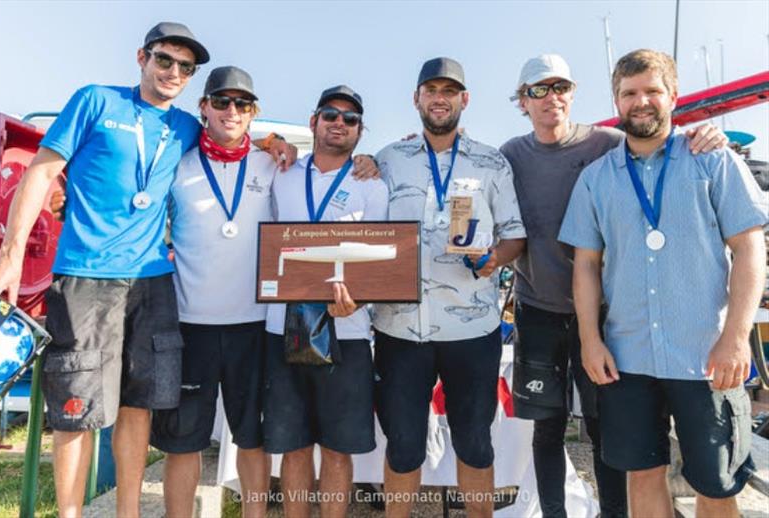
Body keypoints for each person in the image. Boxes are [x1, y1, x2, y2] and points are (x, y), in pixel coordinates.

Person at [0, 23, 297, 517]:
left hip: (151, 281)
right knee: (75, 412)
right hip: (86, 275)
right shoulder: (95, 101)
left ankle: (128, 511)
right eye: (165, 60)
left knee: (138, 406)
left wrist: (275, 140)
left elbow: (233, 134)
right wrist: (11, 254)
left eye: (185, 68)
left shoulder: (185, 127)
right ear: (142, 57)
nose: (173, 72)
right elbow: (40, 171)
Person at [501, 54, 727, 518]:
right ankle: (554, 514)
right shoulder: (509, 155)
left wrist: (706, 133)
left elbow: (659, 140)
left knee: (608, 428)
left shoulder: (607, 142)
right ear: (522, 101)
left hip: (605, 313)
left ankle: (614, 514)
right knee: (548, 428)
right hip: (537, 308)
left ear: (573, 92)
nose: (550, 98)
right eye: (537, 90)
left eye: (559, 86)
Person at [559, 49, 767, 518]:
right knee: (642, 474)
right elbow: (586, 266)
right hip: (627, 357)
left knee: (715, 484)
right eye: (630, 93)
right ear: (617, 101)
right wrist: (591, 341)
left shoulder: (714, 162)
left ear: (673, 96)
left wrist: (736, 339)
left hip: (706, 355)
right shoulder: (596, 179)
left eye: (652, 90)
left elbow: (750, 250)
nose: (641, 101)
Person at [372, 57, 526, 517]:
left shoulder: (491, 161)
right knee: (403, 448)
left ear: (464, 99)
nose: (440, 98)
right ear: (416, 99)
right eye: (431, 90)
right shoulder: (386, 160)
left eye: (449, 91)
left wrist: (494, 259)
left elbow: (515, 233)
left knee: (476, 445)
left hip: (472, 329)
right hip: (399, 329)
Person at [149, 66, 274, 518]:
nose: (231, 111)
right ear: (203, 107)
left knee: (252, 439)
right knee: (184, 443)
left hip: (254, 327)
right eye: (221, 101)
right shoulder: (177, 163)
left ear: (254, 113)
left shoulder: (273, 163)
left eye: (242, 104)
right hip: (189, 326)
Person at [262, 85, 388, 518]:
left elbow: (380, 256)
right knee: (293, 449)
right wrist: (271, 142)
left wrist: (360, 297)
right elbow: (239, 137)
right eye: (330, 114)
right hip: (283, 327)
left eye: (350, 119)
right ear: (312, 121)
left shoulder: (371, 182)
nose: (340, 123)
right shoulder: (282, 170)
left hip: (346, 330)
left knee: (338, 450)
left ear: (360, 131)